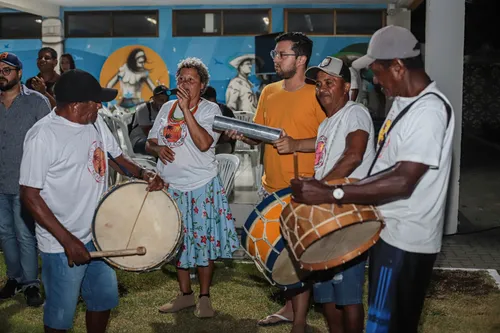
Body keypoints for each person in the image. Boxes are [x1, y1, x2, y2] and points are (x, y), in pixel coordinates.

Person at [290, 25, 455, 333]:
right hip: (389, 233)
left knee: (386, 326)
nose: (375, 82)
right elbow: (386, 167)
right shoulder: (406, 104)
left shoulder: (429, 111)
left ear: (399, 66)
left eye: (378, 73)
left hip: (407, 242)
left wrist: (332, 193)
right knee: (384, 322)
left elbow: (404, 179)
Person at [19, 69, 164, 333]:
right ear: (75, 105)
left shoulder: (96, 123)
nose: (100, 105)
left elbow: (117, 158)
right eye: (95, 101)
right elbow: (29, 195)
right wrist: (68, 241)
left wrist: (143, 173)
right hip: (61, 244)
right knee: (60, 316)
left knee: (102, 300)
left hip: (97, 235)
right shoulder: (43, 136)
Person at [226, 32, 326, 331]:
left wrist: (296, 144)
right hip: (270, 188)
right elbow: (262, 137)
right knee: (280, 253)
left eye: (282, 54)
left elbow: (327, 139)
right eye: (275, 54)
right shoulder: (269, 91)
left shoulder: (318, 93)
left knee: (299, 256)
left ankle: (300, 322)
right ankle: (288, 308)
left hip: (303, 190)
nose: (276, 59)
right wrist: (243, 134)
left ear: (301, 59)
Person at [146, 57, 239, 318]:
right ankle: (185, 294)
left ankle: (205, 296)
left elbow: (203, 143)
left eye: (192, 80)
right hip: (171, 186)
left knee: (203, 243)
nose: (185, 83)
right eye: (182, 79)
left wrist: (187, 110)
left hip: (200, 186)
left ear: (202, 85)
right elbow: (149, 142)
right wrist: (157, 148)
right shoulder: (165, 108)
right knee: (178, 243)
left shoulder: (212, 110)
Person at [300, 56, 376, 333]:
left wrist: (321, 187)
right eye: (319, 84)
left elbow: (354, 155)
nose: (322, 89)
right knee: (326, 291)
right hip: (327, 215)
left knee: (348, 296)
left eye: (330, 82)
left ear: (347, 87)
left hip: (348, 215)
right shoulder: (326, 124)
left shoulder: (355, 112)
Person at [0, 52, 49, 307]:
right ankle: (14, 278)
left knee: (25, 234)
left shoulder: (38, 102)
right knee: (5, 233)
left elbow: (51, 142)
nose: (2, 74)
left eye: (7, 70)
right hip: (0, 182)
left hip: (26, 184)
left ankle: (31, 283)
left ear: (19, 73)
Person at [129, 85, 170, 155]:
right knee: (159, 147)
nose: (163, 103)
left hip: (156, 139)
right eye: (161, 100)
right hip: (139, 139)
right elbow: (147, 132)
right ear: (153, 98)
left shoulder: (166, 109)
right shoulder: (143, 109)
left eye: (166, 101)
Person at [202, 86, 236, 154]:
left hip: (223, 144)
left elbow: (227, 138)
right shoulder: (203, 111)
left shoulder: (225, 112)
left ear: (212, 99)